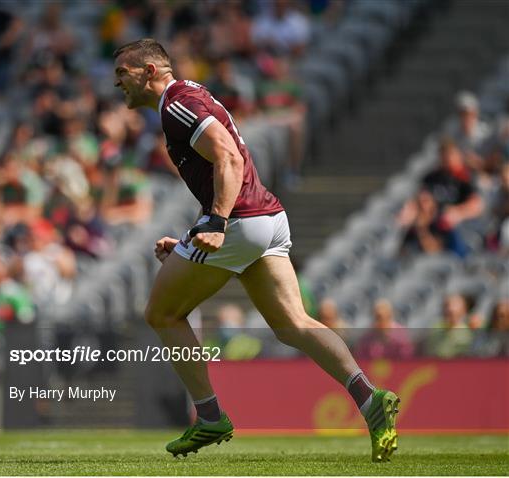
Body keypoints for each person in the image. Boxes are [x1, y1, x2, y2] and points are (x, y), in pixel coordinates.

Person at [113, 38, 399, 462]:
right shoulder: (190, 97)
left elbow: (228, 158)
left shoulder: (176, 104)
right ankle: (369, 398)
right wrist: (195, 235)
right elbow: (222, 167)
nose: (117, 83)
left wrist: (215, 223)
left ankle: (209, 415)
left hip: (240, 223)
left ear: (150, 71)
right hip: (267, 219)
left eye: (123, 73)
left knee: (161, 313)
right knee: (293, 324)